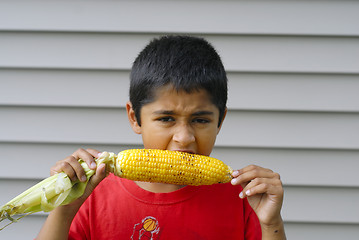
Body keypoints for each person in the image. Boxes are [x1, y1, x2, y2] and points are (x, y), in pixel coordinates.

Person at [37, 35, 286, 239]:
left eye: (201, 120)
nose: (184, 137)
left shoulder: (242, 198)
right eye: (166, 119)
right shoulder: (90, 196)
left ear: (220, 121)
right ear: (135, 118)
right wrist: (63, 210)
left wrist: (271, 223)